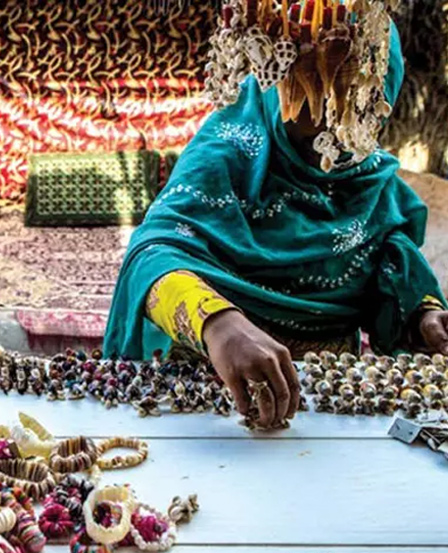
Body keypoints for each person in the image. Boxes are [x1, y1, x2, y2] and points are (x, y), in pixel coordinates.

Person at [103, 17, 448, 429]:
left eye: (350, 130)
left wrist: (424, 317)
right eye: (310, 132)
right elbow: (152, 255)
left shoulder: (369, 180)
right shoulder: (229, 151)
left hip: (325, 407)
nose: (329, 149)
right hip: (208, 401)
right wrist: (218, 324)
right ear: (277, 91)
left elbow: (391, 269)